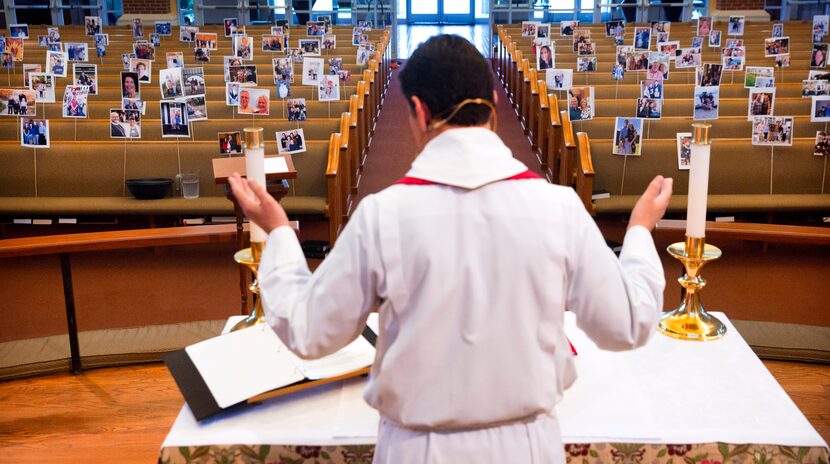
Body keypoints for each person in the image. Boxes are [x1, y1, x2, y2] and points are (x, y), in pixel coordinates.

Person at [227, 34, 671, 463]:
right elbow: (627, 325)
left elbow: (310, 331)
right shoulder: (559, 207)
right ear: (494, 104)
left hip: (420, 450)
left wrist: (280, 230)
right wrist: (637, 232)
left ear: (418, 111)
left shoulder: (383, 213)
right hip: (527, 447)